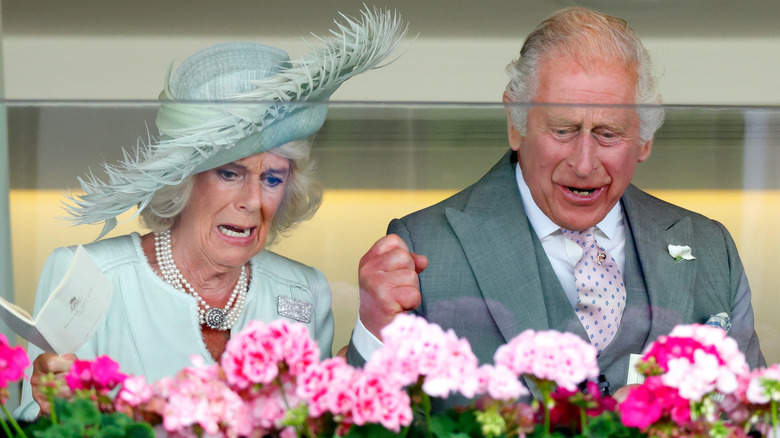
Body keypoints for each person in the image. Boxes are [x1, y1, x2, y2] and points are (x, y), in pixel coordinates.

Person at [346, 7, 765, 401]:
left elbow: (755, 418)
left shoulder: (711, 248)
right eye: (563, 129)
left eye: (609, 134)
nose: (583, 165)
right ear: (516, 123)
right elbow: (369, 419)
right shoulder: (424, 248)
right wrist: (374, 328)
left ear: (645, 137)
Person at [16, 7, 407, 420]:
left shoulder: (303, 290)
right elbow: (34, 425)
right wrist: (51, 408)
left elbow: (318, 424)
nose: (254, 201)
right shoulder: (89, 276)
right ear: (183, 180)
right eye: (230, 173)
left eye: (272, 178)